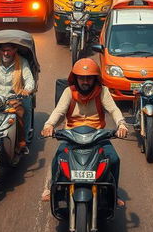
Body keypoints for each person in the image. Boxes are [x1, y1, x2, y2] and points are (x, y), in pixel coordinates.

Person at [40, 59, 128, 203]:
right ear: (76, 78)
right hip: (71, 135)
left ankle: (114, 193)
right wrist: (49, 125)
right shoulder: (69, 92)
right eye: (81, 78)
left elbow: (113, 109)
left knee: (114, 159)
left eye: (89, 78)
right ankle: (50, 188)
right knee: (58, 158)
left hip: (98, 136)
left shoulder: (102, 91)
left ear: (95, 79)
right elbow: (59, 111)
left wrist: (121, 125)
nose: (85, 81)